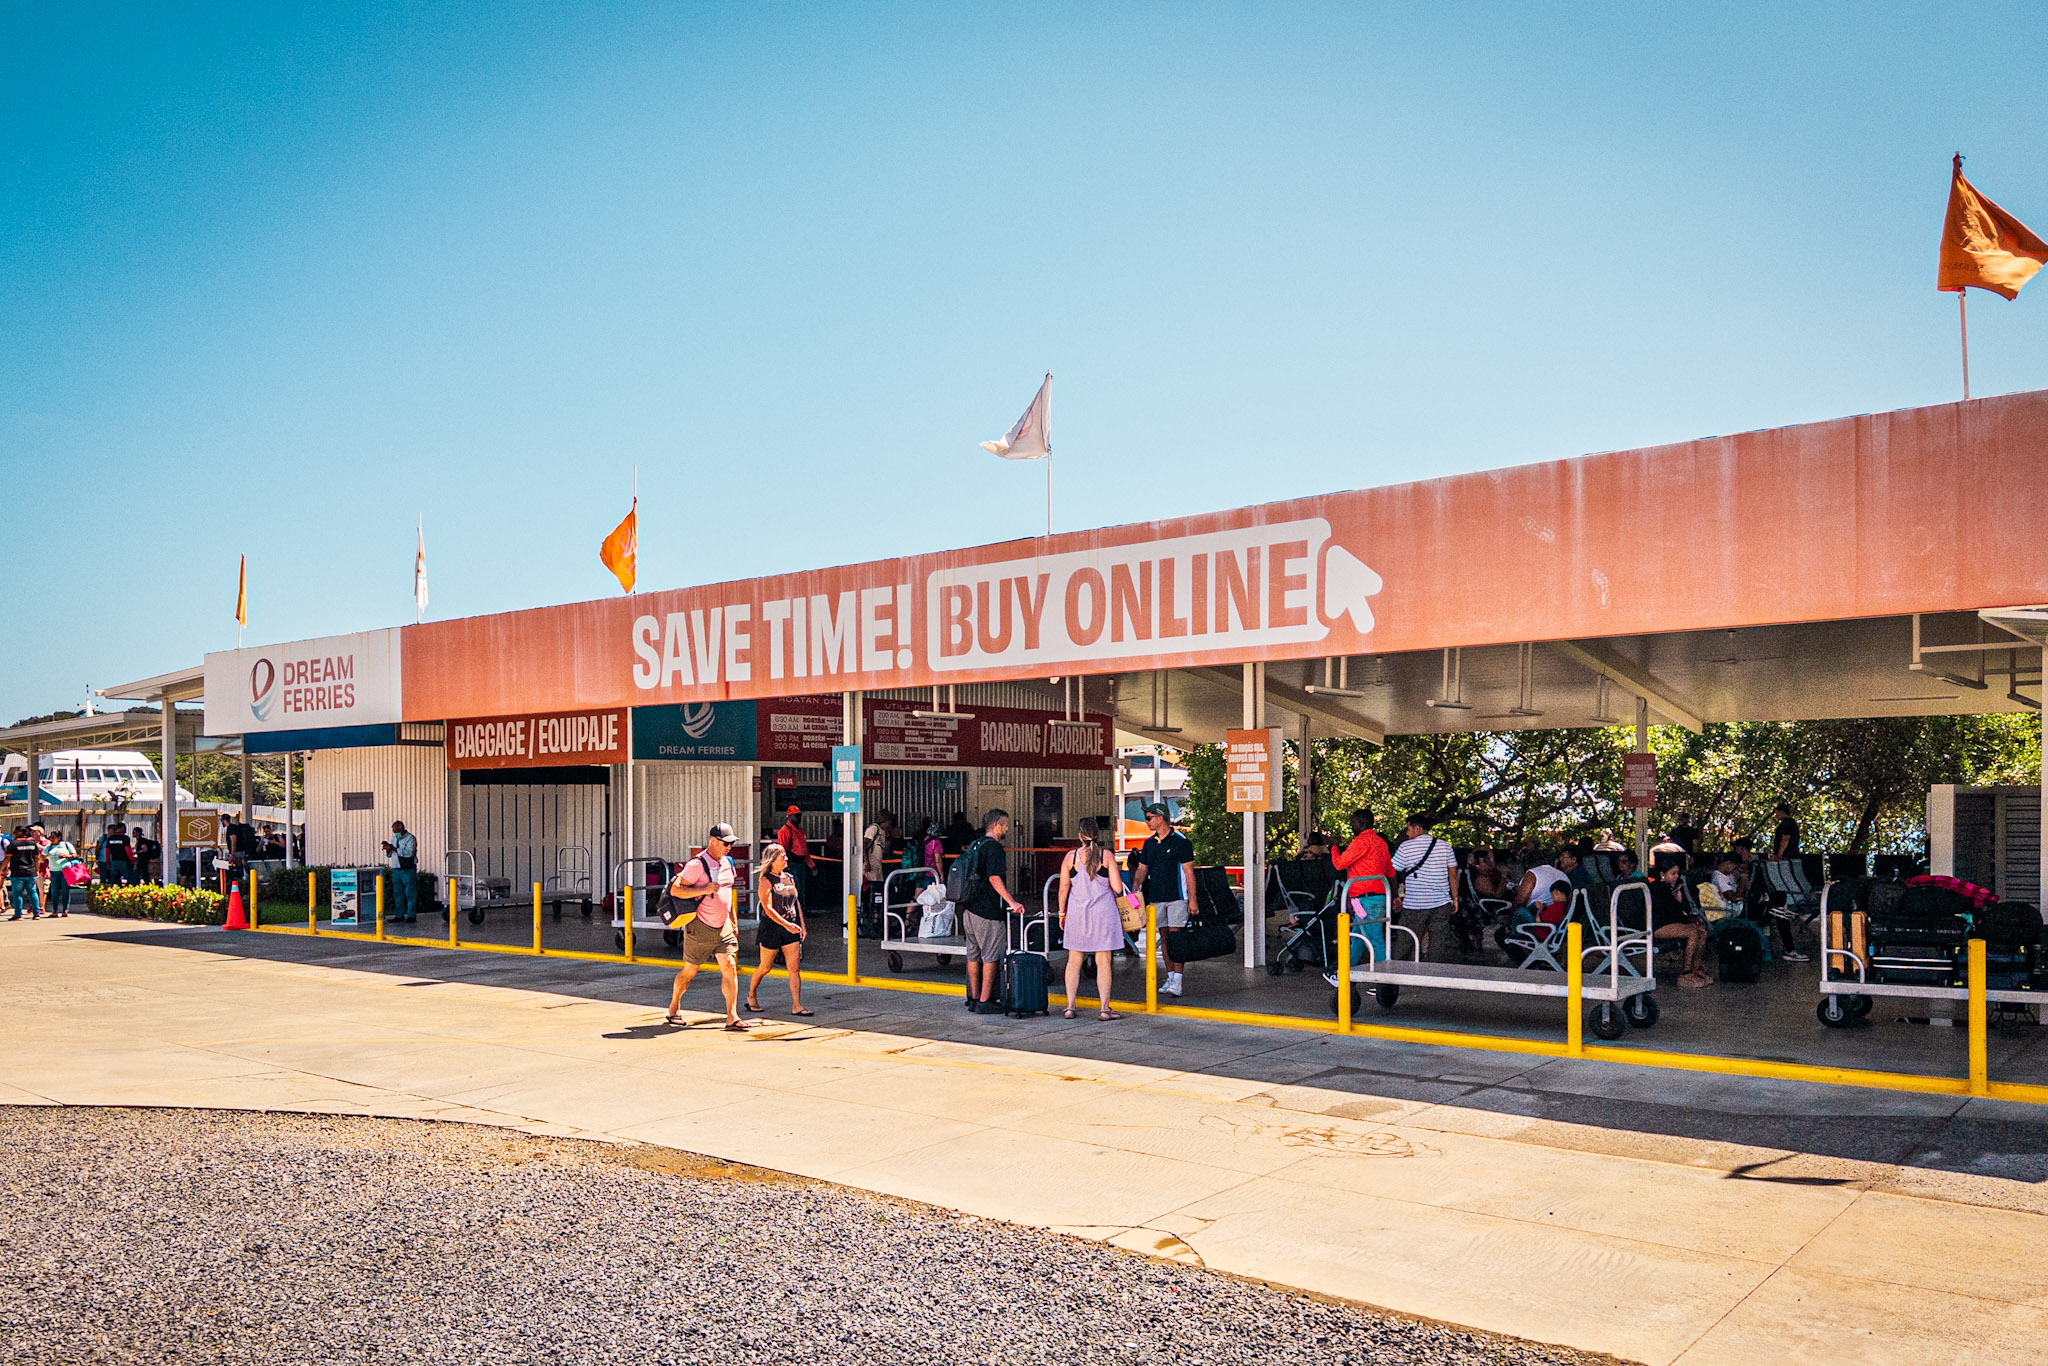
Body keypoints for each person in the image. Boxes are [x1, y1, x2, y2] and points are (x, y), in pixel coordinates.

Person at [665, 823, 749, 1029]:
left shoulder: (728, 862)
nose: (729, 847)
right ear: (712, 841)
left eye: (732, 843)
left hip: (724, 926)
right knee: (689, 972)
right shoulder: (696, 864)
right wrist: (703, 888)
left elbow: (728, 894)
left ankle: (732, 1016)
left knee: (729, 967)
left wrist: (733, 920)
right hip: (700, 926)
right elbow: (676, 891)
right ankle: (674, 1007)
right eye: (725, 843)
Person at [1057, 817, 1130, 1021]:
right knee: (1103, 961)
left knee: (1074, 961)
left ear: (1079, 835)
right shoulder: (1105, 856)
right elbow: (1117, 887)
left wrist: (1061, 913)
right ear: (1097, 835)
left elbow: (1063, 888)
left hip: (1077, 915)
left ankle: (1070, 1007)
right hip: (1103, 915)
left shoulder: (1070, 858)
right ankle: (1104, 1009)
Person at [958, 809, 1027, 1012]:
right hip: (987, 911)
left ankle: (973, 997)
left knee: (973, 955)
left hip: (969, 909)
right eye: (1005, 825)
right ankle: (985, 1001)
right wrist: (1012, 902)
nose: (1006, 828)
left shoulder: (975, 844)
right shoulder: (994, 848)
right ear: (997, 825)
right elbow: (994, 878)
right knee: (990, 956)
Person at [1132, 802, 1197, 998]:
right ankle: (1170, 976)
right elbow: (1143, 868)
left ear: (1161, 818)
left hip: (1177, 897)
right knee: (1164, 937)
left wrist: (1192, 900)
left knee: (1176, 938)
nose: (1146, 822)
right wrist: (1136, 886)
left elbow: (1188, 873)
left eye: (1149, 817)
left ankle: (1178, 978)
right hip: (1156, 897)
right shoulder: (1149, 843)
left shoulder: (1180, 842)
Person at [745, 842, 811, 1017]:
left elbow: (796, 902)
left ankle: (797, 1005)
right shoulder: (766, 880)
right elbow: (767, 908)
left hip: (791, 925)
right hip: (772, 928)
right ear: (773, 859)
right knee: (765, 967)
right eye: (782, 855)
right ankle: (751, 995)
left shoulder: (789, 877)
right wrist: (785, 924)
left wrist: (801, 925)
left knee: (794, 968)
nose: (786, 858)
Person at [1390, 814, 1460, 962]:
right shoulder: (1445, 846)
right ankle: (1433, 975)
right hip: (1441, 903)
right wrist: (1454, 898)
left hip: (1415, 903)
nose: (1407, 833)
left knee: (1406, 939)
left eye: (1408, 829)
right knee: (1438, 941)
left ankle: (1393, 977)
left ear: (1417, 828)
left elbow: (1392, 871)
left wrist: (1396, 895)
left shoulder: (1405, 847)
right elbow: (1453, 875)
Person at [1642, 862, 1711, 987]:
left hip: (1670, 923)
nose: (1676, 876)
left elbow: (1680, 912)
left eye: (1677, 873)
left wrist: (1678, 899)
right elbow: (1665, 912)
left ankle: (1695, 968)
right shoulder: (1656, 889)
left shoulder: (1671, 889)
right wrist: (1676, 900)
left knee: (1702, 931)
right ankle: (1686, 971)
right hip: (1657, 926)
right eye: (1673, 873)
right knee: (1693, 932)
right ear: (1663, 875)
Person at [1496, 856, 1573, 964]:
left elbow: (1520, 901)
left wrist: (1510, 921)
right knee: (1534, 906)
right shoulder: (1562, 875)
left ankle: (1527, 964)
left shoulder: (1532, 874)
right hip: (1558, 927)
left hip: (1541, 929)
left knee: (1501, 933)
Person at [774, 805, 813, 908]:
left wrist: (811, 865)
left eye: (799, 815)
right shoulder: (784, 831)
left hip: (801, 863)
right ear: (789, 816)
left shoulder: (800, 830)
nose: (799, 818)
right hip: (792, 864)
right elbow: (782, 850)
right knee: (794, 889)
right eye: (796, 816)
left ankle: (802, 910)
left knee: (802, 889)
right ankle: (794, 910)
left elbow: (804, 850)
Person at [380, 820, 419, 923]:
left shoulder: (410, 838)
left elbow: (409, 853)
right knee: (398, 893)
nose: (395, 833)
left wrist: (394, 848)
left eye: (396, 831)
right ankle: (399, 915)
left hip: (407, 869)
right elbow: (391, 853)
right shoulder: (394, 838)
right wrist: (388, 849)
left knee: (410, 893)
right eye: (394, 831)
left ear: (401, 829)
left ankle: (411, 915)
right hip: (396, 869)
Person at [8, 826, 44, 919]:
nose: (14, 834)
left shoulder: (13, 844)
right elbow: (37, 858)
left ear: (19, 833)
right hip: (30, 872)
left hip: (17, 872)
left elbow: (7, 858)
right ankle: (36, 914)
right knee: (32, 893)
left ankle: (18, 914)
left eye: (15, 832)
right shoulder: (33, 844)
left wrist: (2, 869)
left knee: (17, 894)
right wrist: (36, 870)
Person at [45, 832, 80, 917]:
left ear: (59, 837)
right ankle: (55, 910)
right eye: (50, 837)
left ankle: (65, 909)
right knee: (54, 891)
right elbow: (43, 855)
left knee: (65, 890)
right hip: (53, 871)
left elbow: (75, 854)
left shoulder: (66, 844)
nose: (51, 839)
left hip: (65, 870)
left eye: (53, 837)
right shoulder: (49, 846)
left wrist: (66, 856)